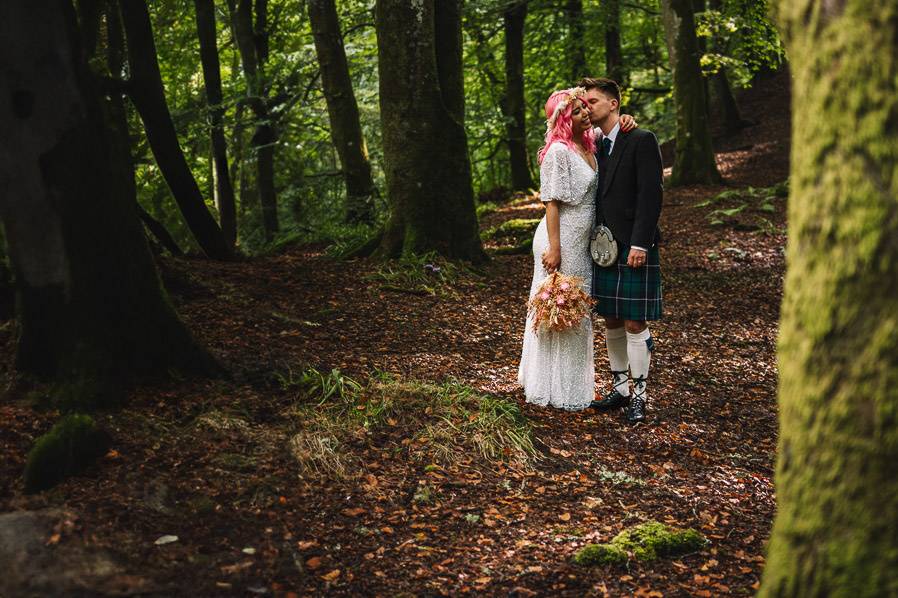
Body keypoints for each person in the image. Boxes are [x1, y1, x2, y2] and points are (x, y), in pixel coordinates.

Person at [517, 87, 635, 411]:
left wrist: (625, 117)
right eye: (579, 111)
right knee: (557, 312)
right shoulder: (557, 152)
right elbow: (551, 204)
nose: (586, 114)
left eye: (586, 108)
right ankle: (549, 387)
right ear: (566, 119)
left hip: (583, 242)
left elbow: (613, 125)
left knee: (578, 314)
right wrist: (555, 250)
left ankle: (571, 385)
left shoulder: (589, 143)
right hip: (561, 239)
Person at [580, 77, 664, 424]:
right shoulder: (593, 143)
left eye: (594, 101)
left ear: (614, 104)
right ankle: (620, 389)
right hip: (603, 249)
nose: (587, 108)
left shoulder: (641, 139)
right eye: (584, 103)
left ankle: (640, 397)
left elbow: (651, 194)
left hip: (633, 245)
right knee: (611, 319)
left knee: (633, 321)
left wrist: (641, 243)